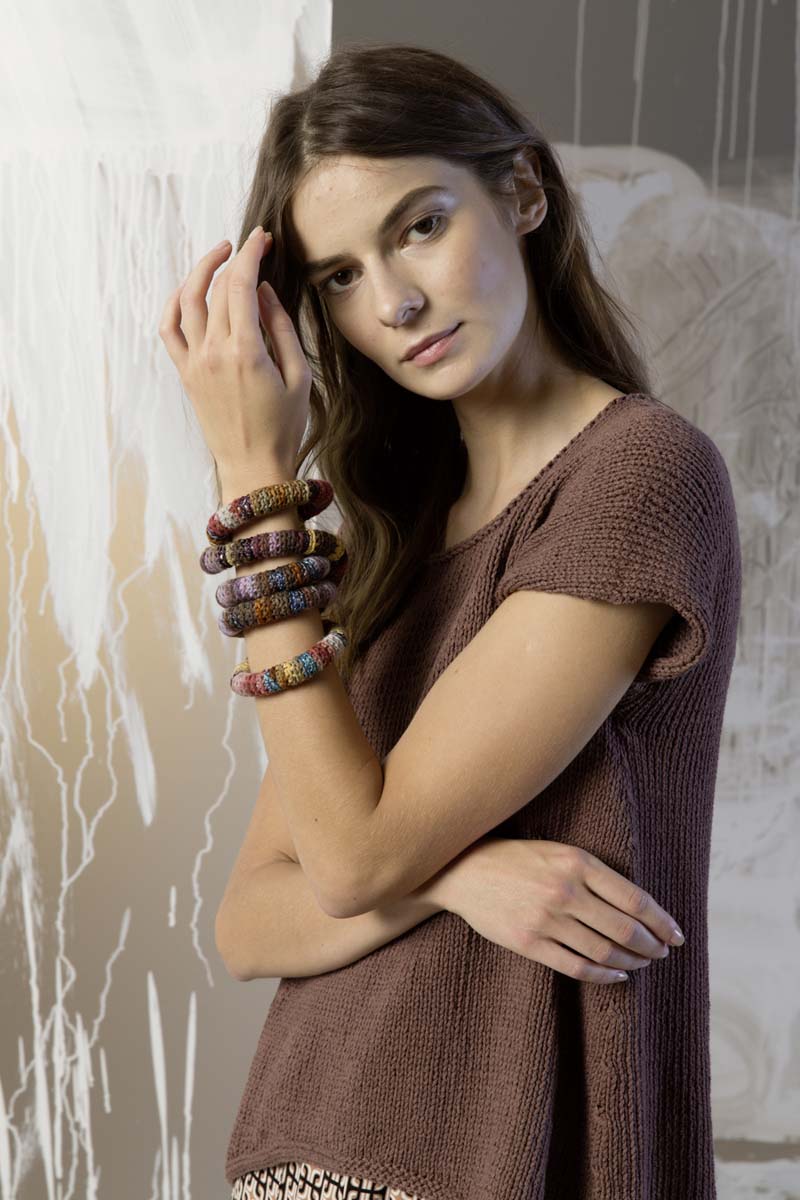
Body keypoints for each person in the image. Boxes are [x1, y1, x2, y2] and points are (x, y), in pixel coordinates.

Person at [161, 41, 741, 1200]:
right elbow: (249, 919)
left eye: (418, 226)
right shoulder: (396, 531)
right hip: (300, 1154)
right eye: (338, 277)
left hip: (491, 1161)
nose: (393, 302)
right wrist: (452, 878)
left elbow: (350, 861)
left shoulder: (634, 477)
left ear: (520, 191)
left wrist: (253, 483)